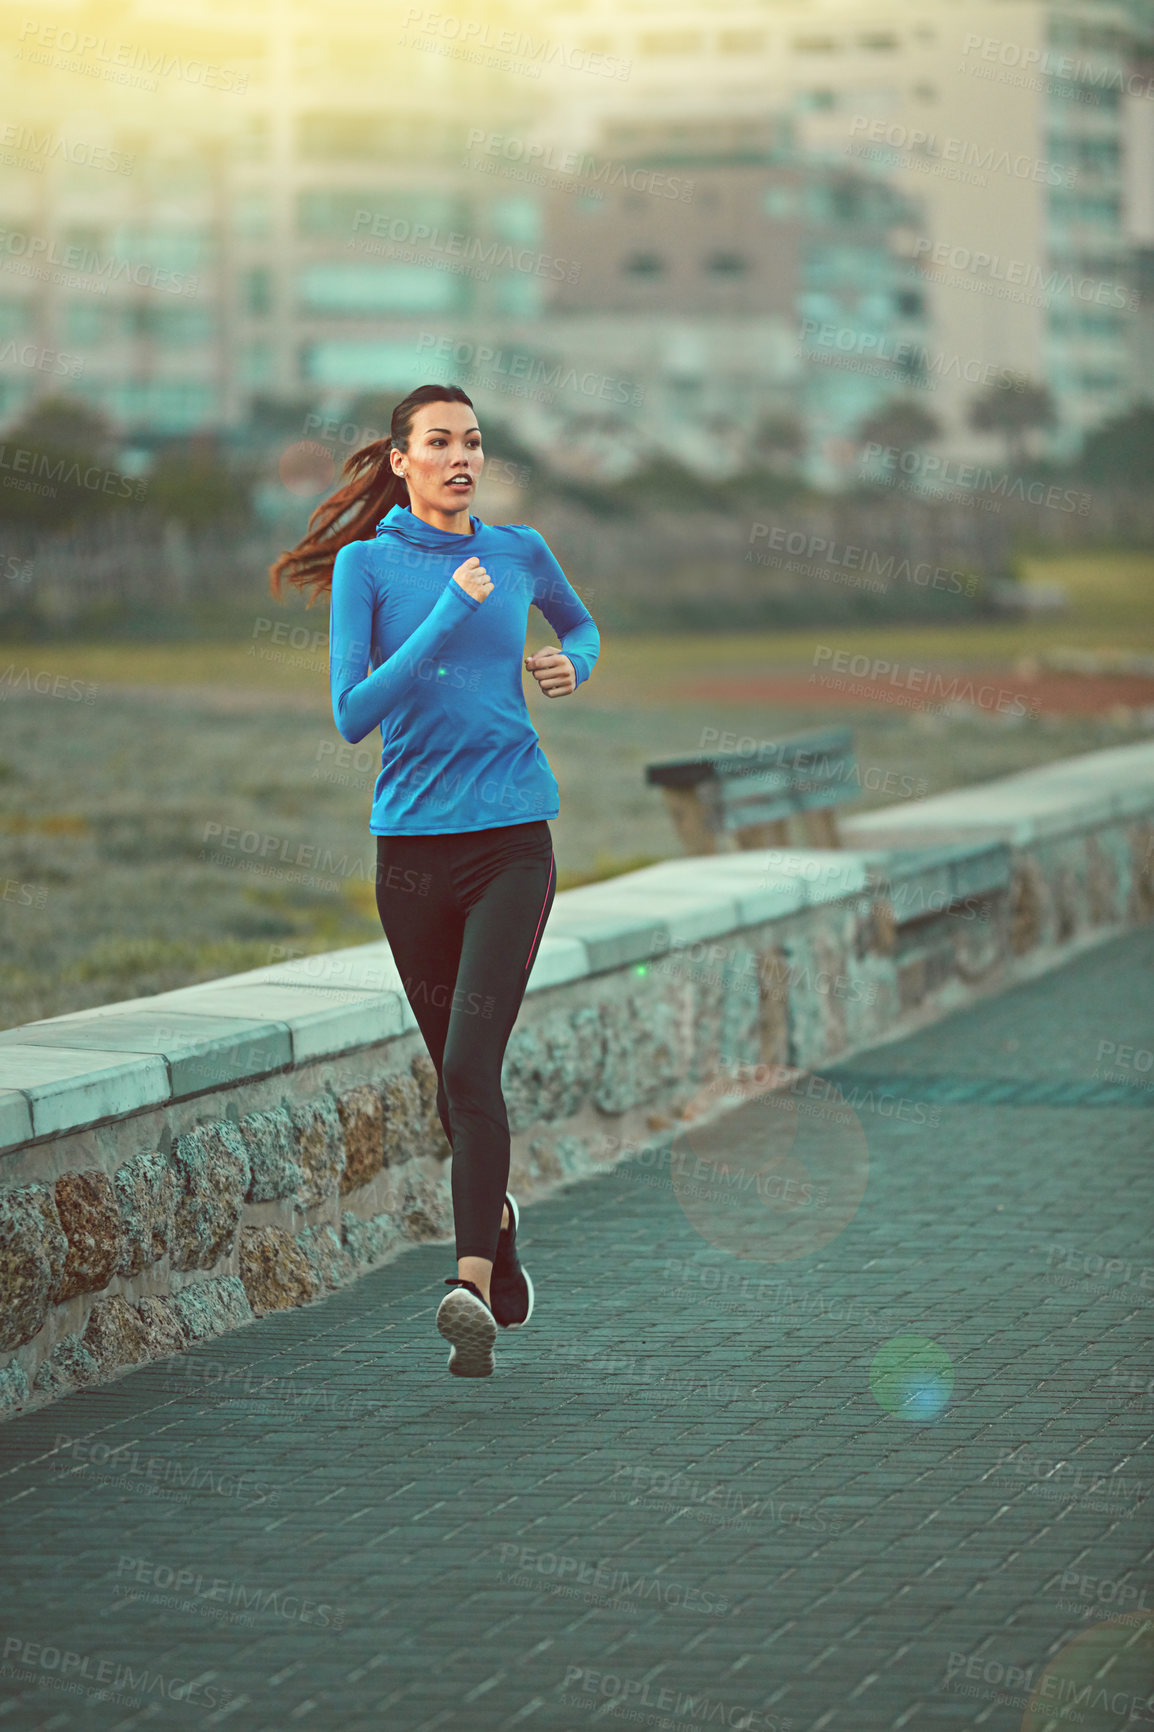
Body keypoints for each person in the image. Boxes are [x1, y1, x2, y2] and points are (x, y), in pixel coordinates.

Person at [269, 384, 600, 1377]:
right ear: (402, 460)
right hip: (409, 854)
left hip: (511, 842)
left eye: (473, 442)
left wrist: (569, 663)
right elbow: (352, 712)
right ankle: (496, 1239)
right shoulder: (368, 567)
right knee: (451, 1088)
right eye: (441, 442)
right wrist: (447, 613)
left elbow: (579, 628)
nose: (462, 457)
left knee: (468, 1067)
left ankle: (463, 1287)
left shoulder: (520, 551)